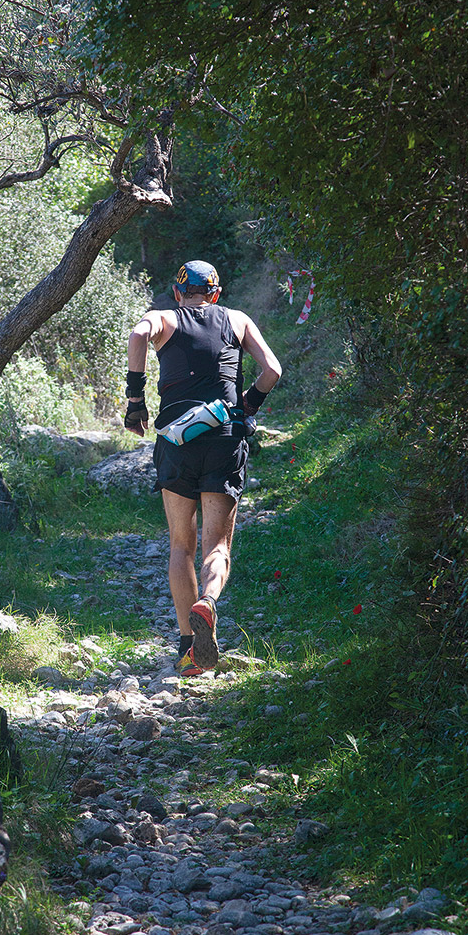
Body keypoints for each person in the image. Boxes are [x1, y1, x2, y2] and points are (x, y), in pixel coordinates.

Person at [124, 259, 282, 677]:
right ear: (215, 294)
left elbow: (139, 333)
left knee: (181, 545)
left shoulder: (163, 317)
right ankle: (207, 604)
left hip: (177, 440)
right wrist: (250, 403)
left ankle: (187, 647)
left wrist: (135, 399)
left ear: (178, 292)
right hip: (225, 437)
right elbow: (273, 370)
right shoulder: (237, 319)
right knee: (218, 546)